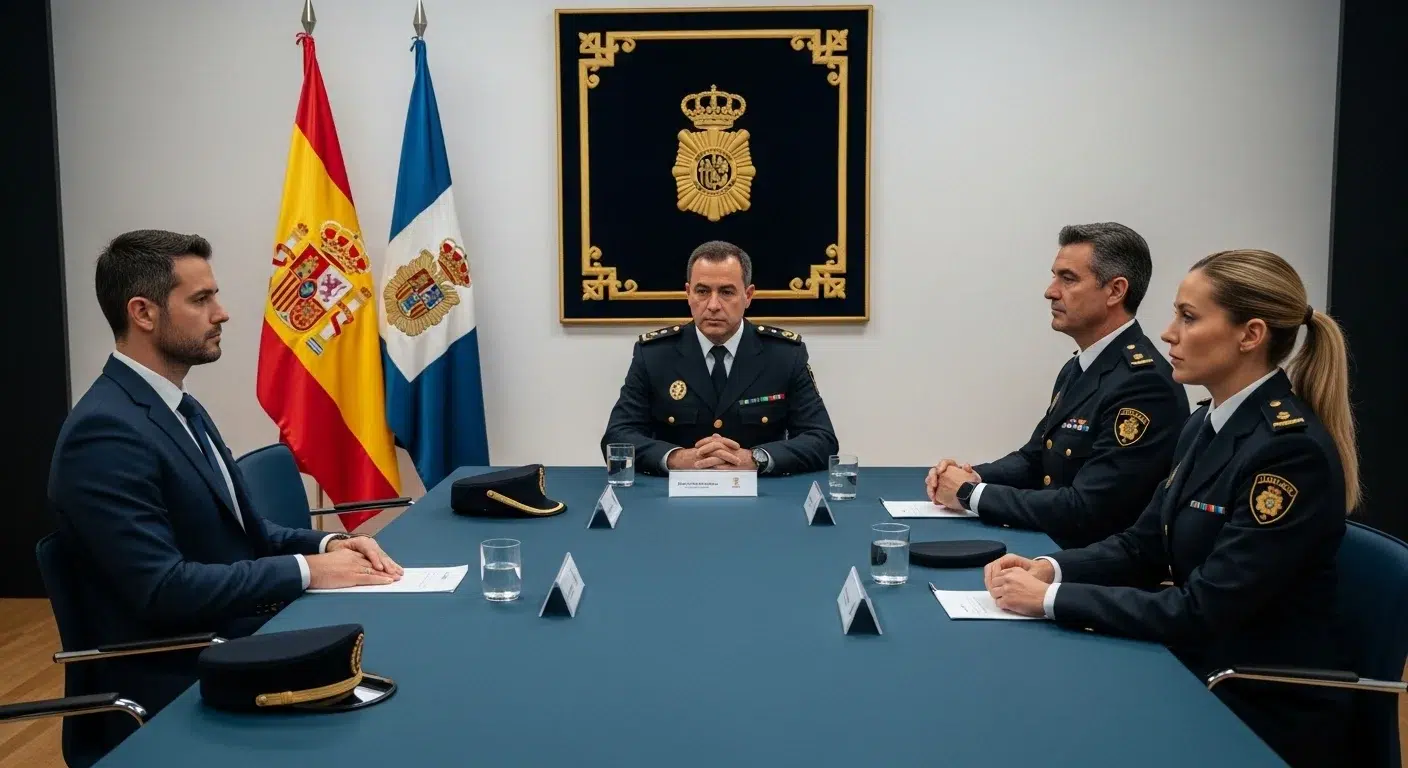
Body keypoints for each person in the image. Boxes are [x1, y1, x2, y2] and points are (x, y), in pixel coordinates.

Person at [984, 249, 1356, 766]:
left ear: (1250, 335)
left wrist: (1049, 600)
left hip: (1253, 700)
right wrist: (1049, 567)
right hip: (1195, 663)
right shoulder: (1207, 424)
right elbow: (1143, 545)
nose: (1168, 333)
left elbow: (1201, 610)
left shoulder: (1288, 453)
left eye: (1189, 317)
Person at [48, 230, 405, 765]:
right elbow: (163, 589)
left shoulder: (177, 408)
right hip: (173, 683)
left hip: (232, 642)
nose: (222, 313)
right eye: (201, 299)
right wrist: (306, 572)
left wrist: (330, 544)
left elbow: (247, 533)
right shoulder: (103, 433)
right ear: (143, 313)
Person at [926, 223, 1187, 548]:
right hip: (1050, 546)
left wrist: (969, 494)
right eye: (1055, 277)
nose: (1050, 291)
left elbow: (1089, 508)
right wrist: (971, 475)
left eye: (1068, 279)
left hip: (1097, 572)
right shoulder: (1080, 366)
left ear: (1115, 291)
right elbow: (1035, 458)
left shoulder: (1144, 384)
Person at [601, 240, 838, 475]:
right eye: (702, 291)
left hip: (762, 496)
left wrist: (756, 459)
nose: (713, 305)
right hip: (673, 496)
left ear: (748, 295)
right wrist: (677, 458)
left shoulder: (785, 356)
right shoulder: (654, 355)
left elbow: (822, 439)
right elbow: (617, 436)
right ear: (688, 294)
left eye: (726, 292)